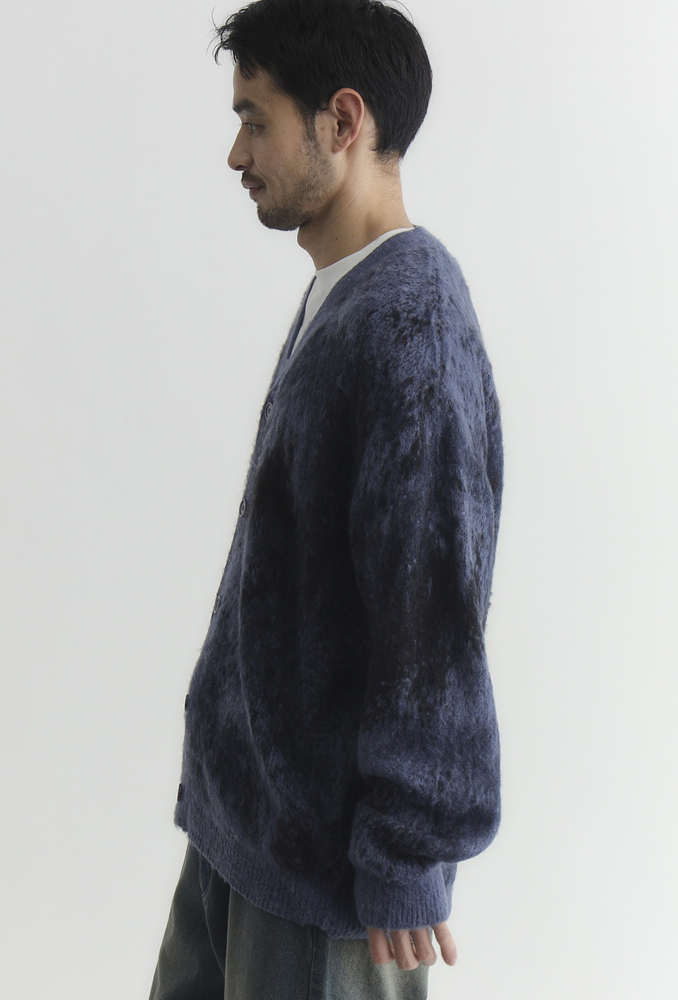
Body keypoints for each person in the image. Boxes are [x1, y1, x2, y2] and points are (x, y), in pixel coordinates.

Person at [149, 1, 503, 997]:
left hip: (322, 876)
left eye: (254, 120)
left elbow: (429, 611)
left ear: (340, 121)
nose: (235, 154)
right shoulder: (345, 291)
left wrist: (405, 850)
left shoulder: (410, 326)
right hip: (243, 829)